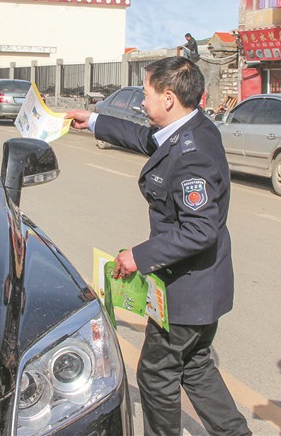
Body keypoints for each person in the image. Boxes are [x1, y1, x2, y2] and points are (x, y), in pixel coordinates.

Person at [66, 57, 250, 435]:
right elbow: (144, 138)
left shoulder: (193, 154)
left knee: (155, 374)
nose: (141, 101)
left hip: (188, 290)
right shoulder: (190, 127)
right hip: (202, 285)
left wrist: (139, 256)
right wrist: (94, 121)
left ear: (168, 98)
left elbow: (200, 230)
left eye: (146, 94)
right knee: (195, 366)